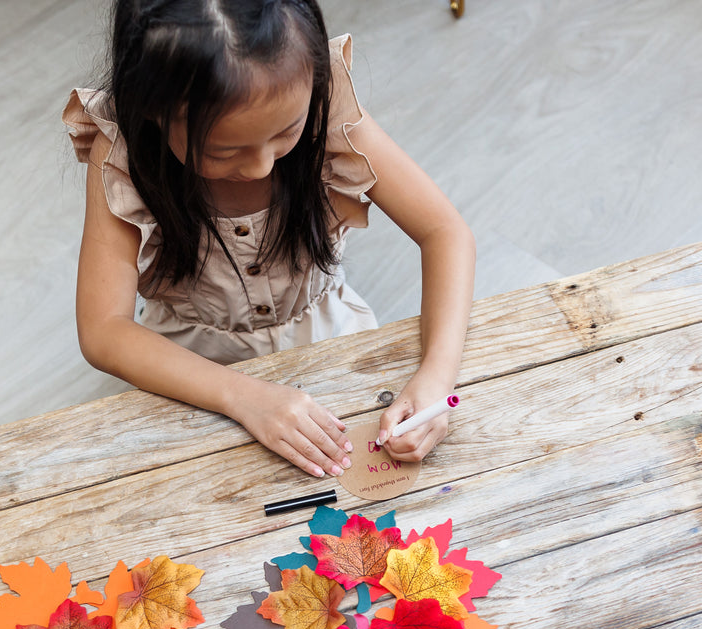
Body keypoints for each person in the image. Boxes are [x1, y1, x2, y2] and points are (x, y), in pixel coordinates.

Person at [64, 0, 474, 479]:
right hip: (188, 370)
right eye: (223, 151)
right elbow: (103, 331)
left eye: (287, 131)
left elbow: (445, 232)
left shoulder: (328, 107)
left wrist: (436, 378)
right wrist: (243, 396)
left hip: (327, 339)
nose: (261, 166)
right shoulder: (121, 154)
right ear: (152, 109)